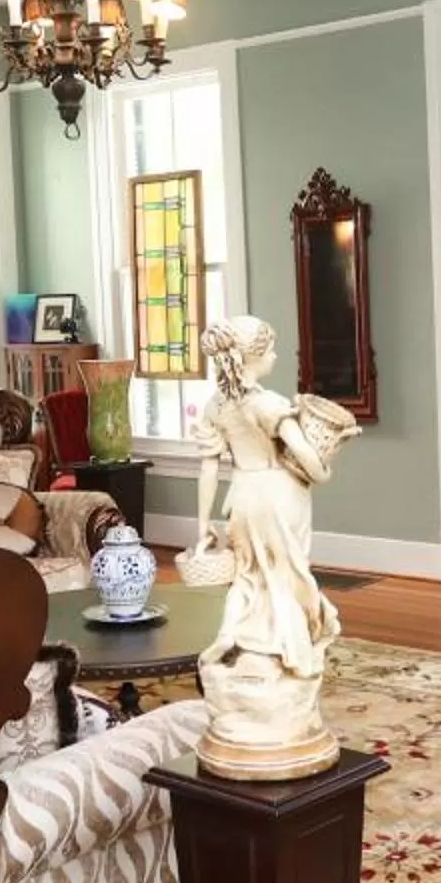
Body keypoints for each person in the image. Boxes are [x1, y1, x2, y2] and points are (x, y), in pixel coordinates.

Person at [183, 316, 359, 775]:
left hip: (241, 497)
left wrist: (202, 526)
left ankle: (236, 641)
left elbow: (207, 468)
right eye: (272, 350)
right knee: (285, 579)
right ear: (254, 358)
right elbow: (309, 461)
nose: (277, 357)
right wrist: (322, 470)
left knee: (250, 577)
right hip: (279, 497)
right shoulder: (270, 405)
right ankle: (287, 655)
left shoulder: (217, 406)